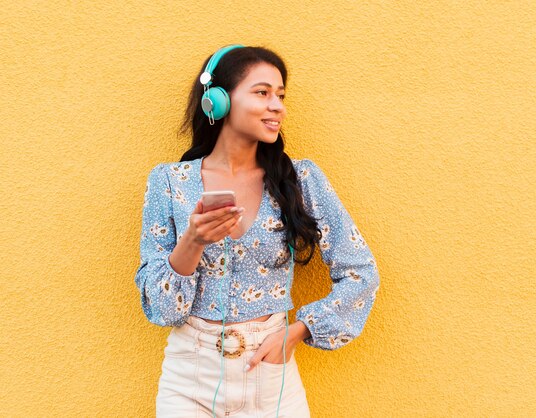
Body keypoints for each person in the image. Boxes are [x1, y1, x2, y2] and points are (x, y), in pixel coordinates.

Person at [134, 44, 380, 418]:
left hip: (271, 377)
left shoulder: (300, 179)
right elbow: (162, 309)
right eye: (262, 92)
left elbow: (361, 272)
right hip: (189, 378)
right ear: (217, 101)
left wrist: (299, 331)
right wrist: (193, 241)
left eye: (280, 95)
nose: (277, 106)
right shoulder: (169, 182)